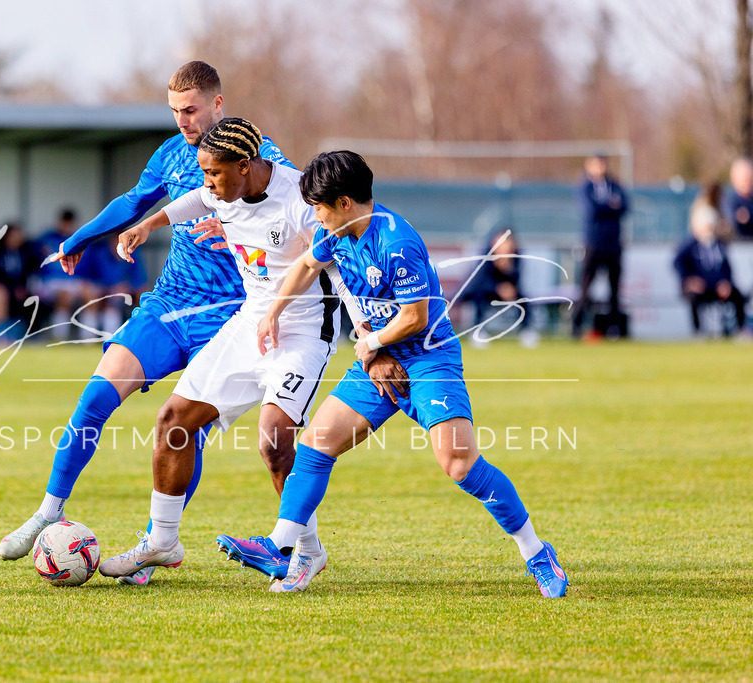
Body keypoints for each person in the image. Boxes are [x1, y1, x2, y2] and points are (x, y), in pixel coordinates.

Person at [0, 61, 298, 585]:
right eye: (175, 110)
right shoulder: (172, 152)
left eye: (191, 109)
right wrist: (80, 239)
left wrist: (235, 228)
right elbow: (135, 200)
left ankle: (160, 542)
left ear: (218, 103)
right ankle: (49, 510)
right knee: (96, 395)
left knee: (184, 428)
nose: (182, 120)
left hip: (229, 314)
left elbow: (290, 217)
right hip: (169, 302)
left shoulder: (259, 158)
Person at [216, 151, 568, 597]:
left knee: (459, 464)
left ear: (344, 203)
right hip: (377, 357)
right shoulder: (336, 233)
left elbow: (415, 316)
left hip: (427, 359)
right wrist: (273, 313)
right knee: (315, 444)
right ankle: (282, 547)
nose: (315, 218)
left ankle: (537, 553)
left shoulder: (396, 242)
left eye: (319, 208)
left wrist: (372, 343)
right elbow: (306, 265)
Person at [96, 118, 363, 580]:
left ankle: (305, 550)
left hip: (303, 331)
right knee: (173, 420)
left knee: (274, 439)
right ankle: (162, 541)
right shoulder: (222, 189)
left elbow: (337, 268)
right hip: (249, 323)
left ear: (244, 165)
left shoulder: (299, 199)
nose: (207, 184)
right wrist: (149, 224)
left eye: (214, 173)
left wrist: (364, 334)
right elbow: (196, 201)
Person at [572, 154, 628, 338]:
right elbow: (591, 210)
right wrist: (610, 207)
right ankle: (576, 326)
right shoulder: (586, 187)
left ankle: (615, 329)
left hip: (613, 244)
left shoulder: (614, 185)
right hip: (594, 244)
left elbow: (624, 206)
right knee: (586, 287)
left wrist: (606, 207)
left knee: (615, 290)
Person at [673, 204, 746, 336]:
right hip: (700, 288)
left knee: (738, 296)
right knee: (694, 298)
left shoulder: (719, 245)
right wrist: (689, 280)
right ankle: (698, 331)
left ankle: (740, 330)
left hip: (717, 287)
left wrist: (726, 283)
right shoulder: (689, 245)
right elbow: (678, 263)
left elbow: (727, 268)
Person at [461, 227, 539, 348]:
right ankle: (478, 331)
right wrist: (498, 288)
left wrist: (507, 268)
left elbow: (517, 279)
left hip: (508, 293)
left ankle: (527, 331)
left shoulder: (516, 258)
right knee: (479, 297)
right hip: (485, 291)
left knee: (524, 299)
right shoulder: (486, 256)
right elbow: (479, 281)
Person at [30, 208, 93, 340]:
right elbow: (31, 256)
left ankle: (89, 338)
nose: (66, 226)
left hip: (73, 279)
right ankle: (59, 337)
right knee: (65, 295)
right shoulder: (47, 238)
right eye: (65, 223)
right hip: (51, 280)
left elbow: (87, 268)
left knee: (90, 295)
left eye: (69, 223)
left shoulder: (79, 240)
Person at [0, 221, 36, 330]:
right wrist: (12, 289)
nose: (17, 239)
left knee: (34, 300)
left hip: (21, 288)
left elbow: (29, 272)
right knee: (0, 294)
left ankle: (29, 332)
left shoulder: (25, 252)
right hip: (3, 287)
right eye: (14, 236)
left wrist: (22, 288)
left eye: (19, 236)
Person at [725, 158, 753, 239]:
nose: (748, 183)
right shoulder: (728, 199)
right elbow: (730, 220)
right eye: (745, 179)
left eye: (750, 179)